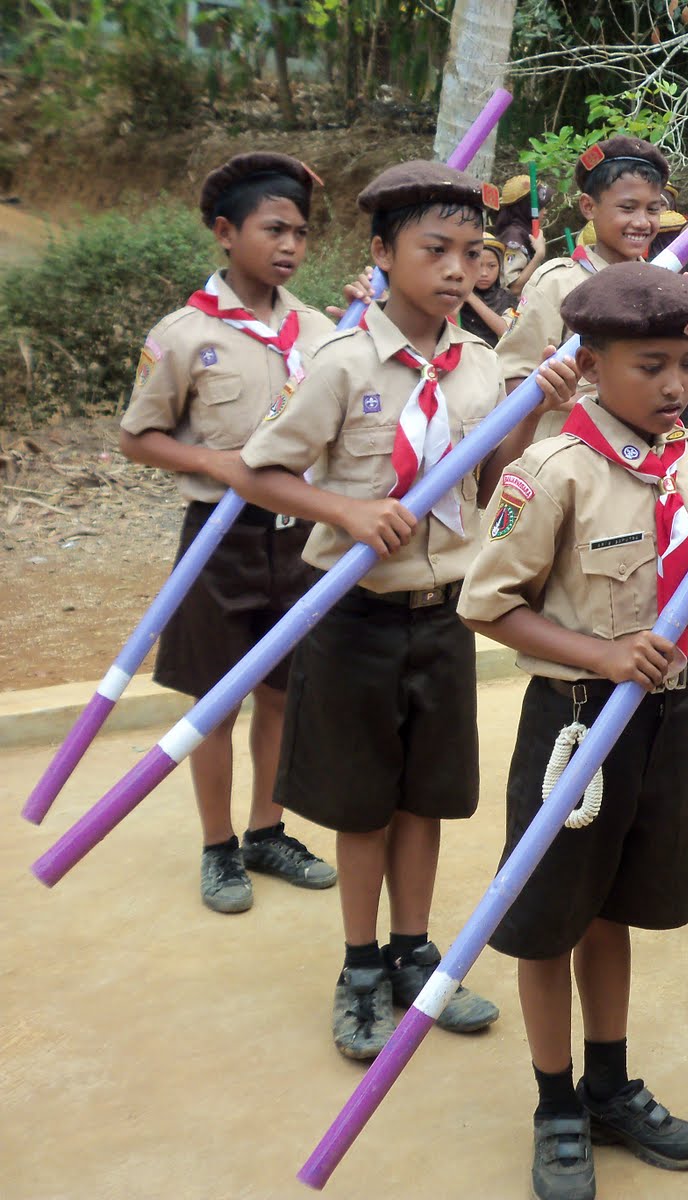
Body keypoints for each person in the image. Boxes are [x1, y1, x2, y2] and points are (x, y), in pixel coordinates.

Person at [456, 263, 688, 1200]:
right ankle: (555, 1101)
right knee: (548, 919)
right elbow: (485, 605)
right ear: (592, 364)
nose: (677, 384)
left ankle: (609, 1082)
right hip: (574, 726)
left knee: (615, 909)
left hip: (666, 719)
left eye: (687, 363)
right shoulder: (551, 471)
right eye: (652, 365)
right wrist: (601, 658)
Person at [234, 159, 579, 1058]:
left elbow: (497, 487)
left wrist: (534, 422)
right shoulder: (341, 366)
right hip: (352, 618)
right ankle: (358, 967)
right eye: (437, 249)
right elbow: (259, 469)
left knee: (425, 798)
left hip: (443, 618)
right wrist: (346, 511)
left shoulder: (479, 371)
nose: (460, 268)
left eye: (474, 252)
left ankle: (413, 951)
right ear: (383, 253)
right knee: (362, 807)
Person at [119, 151, 337, 914]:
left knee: (280, 692)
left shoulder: (320, 329)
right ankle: (217, 848)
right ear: (224, 232)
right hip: (218, 538)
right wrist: (217, 462)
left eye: (301, 233)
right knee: (215, 701)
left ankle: (266, 831)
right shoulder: (183, 334)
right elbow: (137, 436)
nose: (290, 246)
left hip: (301, 536)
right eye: (273, 229)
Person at [497, 138, 670, 439]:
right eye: (627, 208)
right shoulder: (556, 282)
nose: (642, 222)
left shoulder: (662, 284)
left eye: (652, 210)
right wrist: (564, 397)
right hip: (565, 458)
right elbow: (510, 377)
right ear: (589, 206)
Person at [495, 173, 549, 293]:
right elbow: (514, 287)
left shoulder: (523, 231)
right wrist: (539, 254)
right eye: (541, 207)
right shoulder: (514, 236)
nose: (545, 211)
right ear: (527, 207)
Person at [459, 232, 516, 345]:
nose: (484, 273)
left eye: (492, 266)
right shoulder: (456, 294)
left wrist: (471, 297)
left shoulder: (507, 298)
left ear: (500, 267)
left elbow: (505, 331)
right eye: (479, 265)